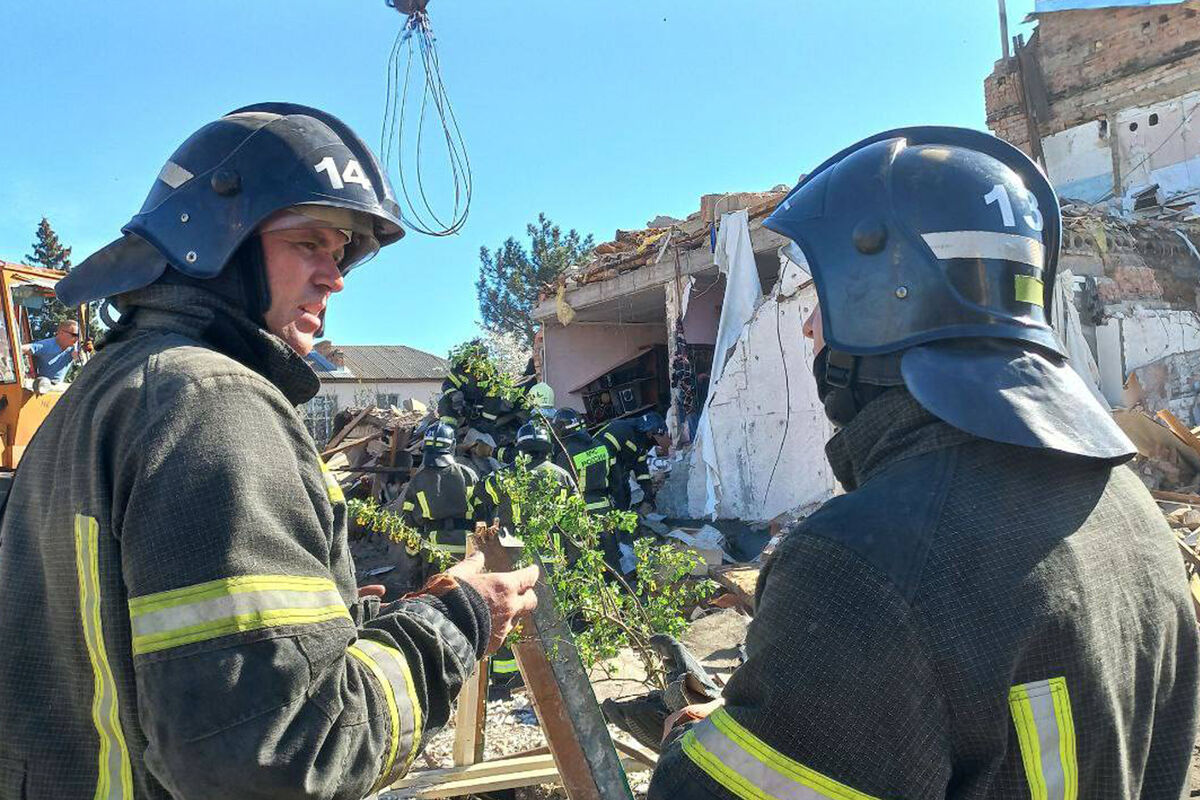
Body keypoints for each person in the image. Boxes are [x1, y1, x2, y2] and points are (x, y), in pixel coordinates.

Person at [0, 103, 539, 799]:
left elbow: (141, 662)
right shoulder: (212, 403)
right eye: (308, 242)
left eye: (341, 251)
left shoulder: (105, 395)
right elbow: (285, 754)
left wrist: (333, 631)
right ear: (215, 241)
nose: (335, 276)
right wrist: (456, 620)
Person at [649, 127, 1199, 799]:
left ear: (882, 296)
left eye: (823, 297)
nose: (807, 327)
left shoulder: (864, 565)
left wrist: (694, 746)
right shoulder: (1131, 511)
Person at [474, 420, 577, 689]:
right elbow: (576, 521)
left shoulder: (506, 477)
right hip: (550, 559)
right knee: (552, 614)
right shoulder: (561, 476)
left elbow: (480, 493)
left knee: (510, 612)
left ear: (520, 449)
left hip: (513, 560)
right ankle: (556, 670)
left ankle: (507, 675)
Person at [398, 421, 480, 567]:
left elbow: (409, 522)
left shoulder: (418, 480)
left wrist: (412, 554)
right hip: (467, 552)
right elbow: (482, 513)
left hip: (433, 554)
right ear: (452, 445)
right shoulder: (468, 475)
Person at [596, 411, 669, 510]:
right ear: (648, 430)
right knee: (618, 494)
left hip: (616, 467)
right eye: (653, 434)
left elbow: (642, 471)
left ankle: (625, 517)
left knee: (625, 493)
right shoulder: (622, 430)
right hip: (600, 466)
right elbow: (607, 454)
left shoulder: (641, 445)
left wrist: (649, 496)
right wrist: (617, 479)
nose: (653, 438)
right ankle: (619, 519)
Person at [22, 319, 84, 383]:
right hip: (42, 387)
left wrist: (81, 356)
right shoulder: (45, 345)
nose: (77, 339)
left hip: (59, 388)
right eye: (74, 335)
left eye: (78, 336)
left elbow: (86, 361)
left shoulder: (74, 348)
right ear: (61, 333)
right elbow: (21, 349)